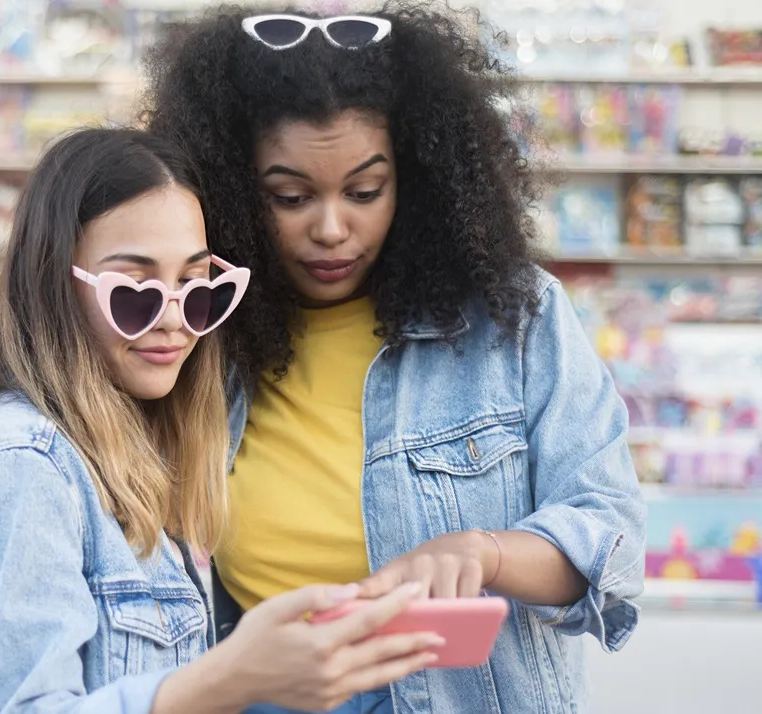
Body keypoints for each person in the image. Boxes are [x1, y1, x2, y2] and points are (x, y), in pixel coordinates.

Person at [143, 4, 647, 713]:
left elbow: (611, 536)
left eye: (364, 192)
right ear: (230, 190)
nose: (330, 228)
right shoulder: (198, 332)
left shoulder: (514, 318)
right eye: (289, 197)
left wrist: (485, 552)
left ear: (416, 178)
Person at [0, 127, 445, 714]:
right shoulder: (20, 465)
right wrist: (230, 680)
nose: (175, 320)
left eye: (195, 286)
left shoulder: (133, 458)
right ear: (53, 283)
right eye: (135, 291)